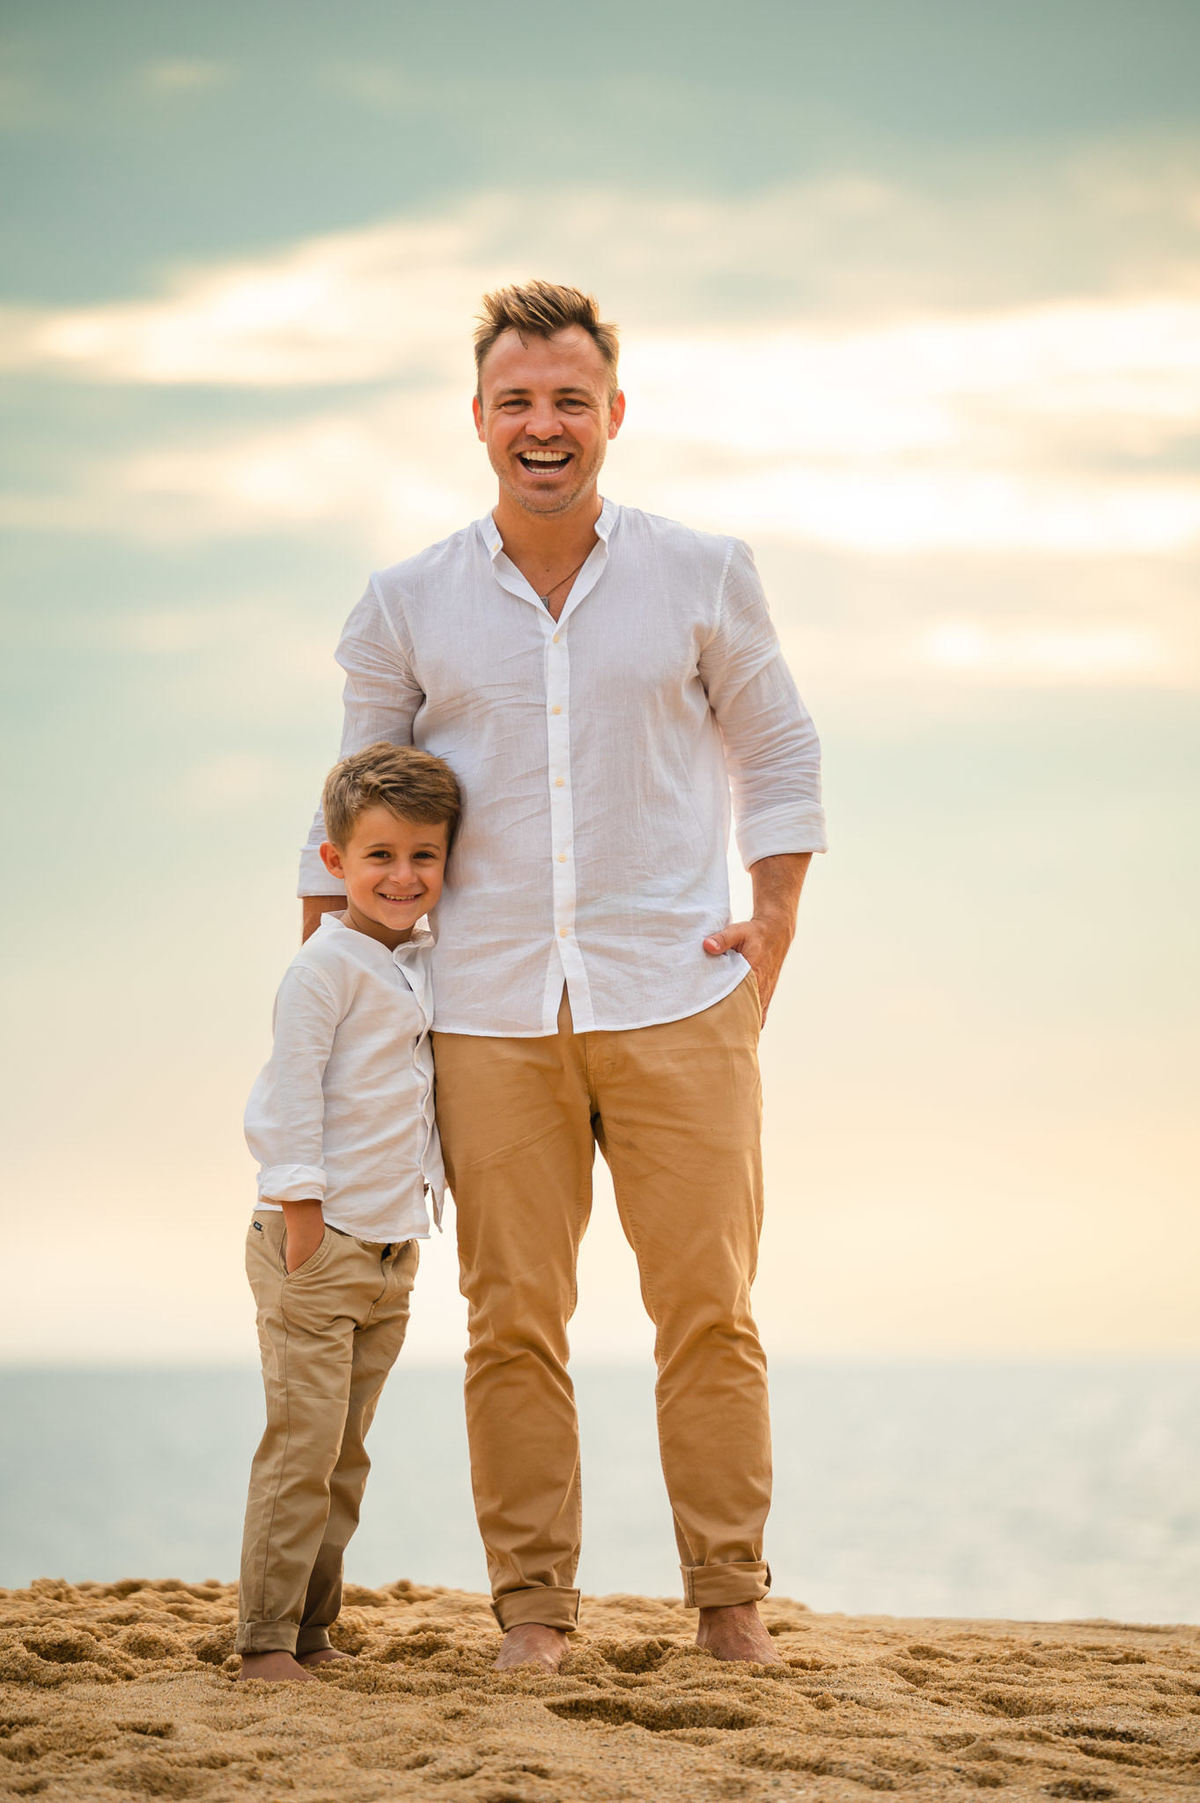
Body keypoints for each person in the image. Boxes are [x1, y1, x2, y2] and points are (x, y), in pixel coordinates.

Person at [299, 280, 826, 1672]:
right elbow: (339, 812)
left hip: (680, 994)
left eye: (570, 400)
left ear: (613, 415)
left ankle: (730, 1601)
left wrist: (770, 925)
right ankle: (534, 1611)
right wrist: (328, 1015)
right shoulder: (404, 602)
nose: (545, 424)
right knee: (511, 1318)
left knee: (709, 1308)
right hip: (483, 1011)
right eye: (519, 400)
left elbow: (779, 750)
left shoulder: (704, 570)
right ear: (480, 418)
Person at [238, 741, 461, 1682]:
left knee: (345, 1457)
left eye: (423, 855)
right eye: (379, 855)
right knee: (301, 1451)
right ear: (336, 862)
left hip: (389, 1251)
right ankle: (263, 1643)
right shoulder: (324, 967)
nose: (402, 876)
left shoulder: (416, 964)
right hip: (316, 1243)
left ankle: (314, 1631)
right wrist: (303, 1221)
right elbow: (288, 1096)